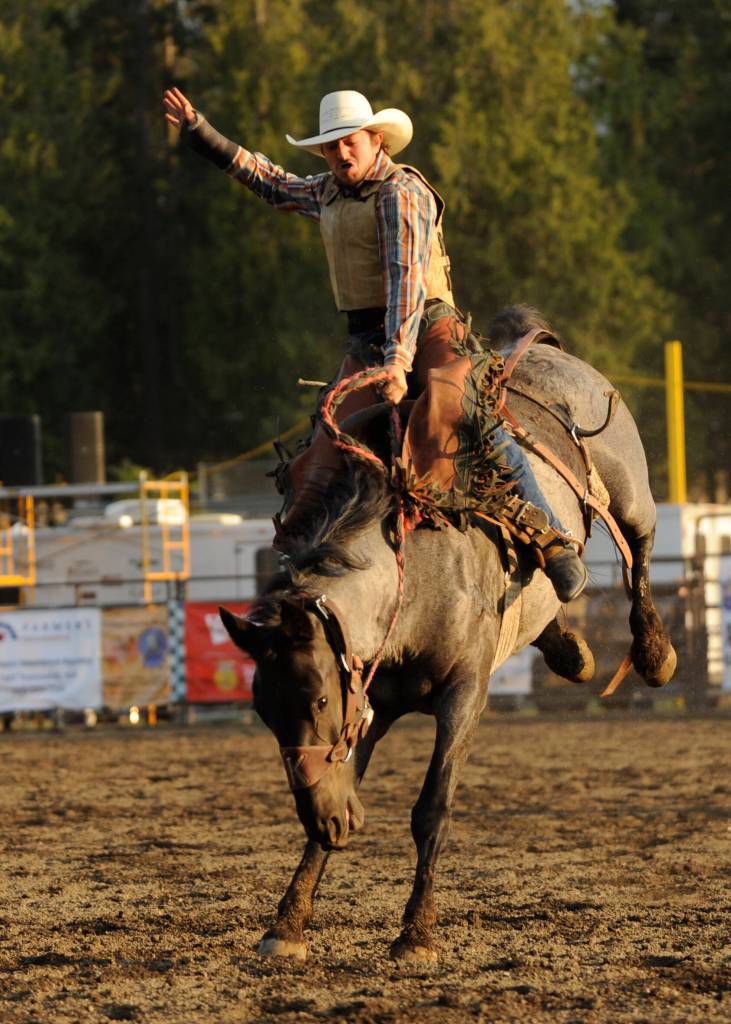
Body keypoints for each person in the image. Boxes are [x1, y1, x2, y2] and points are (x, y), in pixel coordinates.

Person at [163, 87, 587, 602]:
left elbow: (406, 283)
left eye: (349, 143)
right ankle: (305, 577)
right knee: (328, 443)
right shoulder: (328, 192)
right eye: (331, 147)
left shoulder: (401, 193)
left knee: (464, 409)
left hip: (427, 326)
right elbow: (273, 183)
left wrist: (397, 363)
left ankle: (551, 538)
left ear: (375, 139)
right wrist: (203, 134)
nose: (340, 154)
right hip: (367, 338)